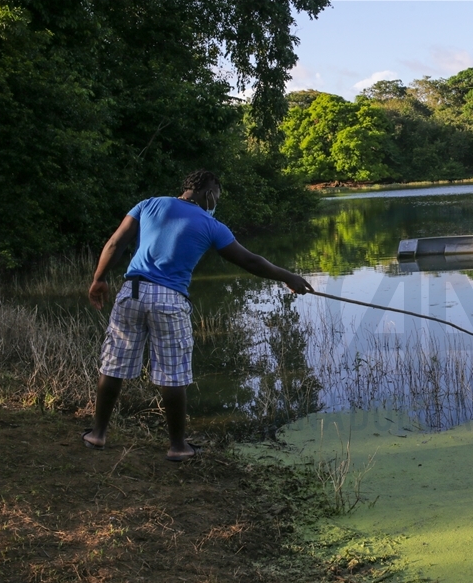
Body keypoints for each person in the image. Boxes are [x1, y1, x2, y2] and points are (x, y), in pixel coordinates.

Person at [83, 169, 313, 461]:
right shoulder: (211, 225)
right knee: (173, 374)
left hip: (132, 291)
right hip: (169, 298)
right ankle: (178, 447)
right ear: (207, 193)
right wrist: (288, 276)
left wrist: (99, 278)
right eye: (216, 195)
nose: (216, 201)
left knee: (113, 365)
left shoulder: (148, 204)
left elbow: (116, 243)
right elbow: (250, 261)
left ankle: (97, 435)